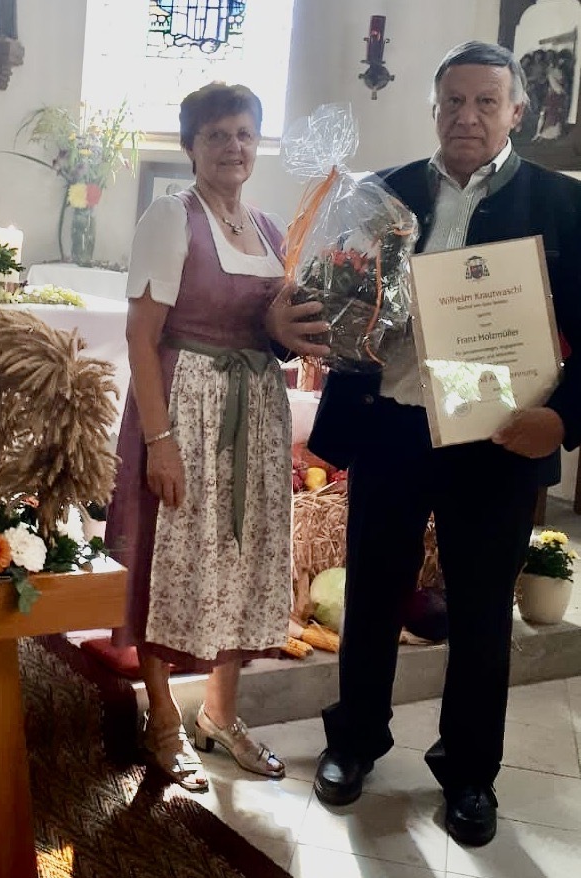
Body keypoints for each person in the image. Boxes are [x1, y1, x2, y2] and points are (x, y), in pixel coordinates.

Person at [270, 41, 581, 847]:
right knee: (372, 596)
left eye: (486, 102)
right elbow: (325, 302)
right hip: (393, 424)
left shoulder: (563, 204)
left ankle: (471, 774)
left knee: (481, 614)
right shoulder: (380, 194)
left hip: (498, 437)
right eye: (453, 101)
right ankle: (353, 742)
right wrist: (287, 321)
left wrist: (564, 419)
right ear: (434, 108)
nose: (467, 116)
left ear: (519, 112)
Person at [106, 82, 321, 792]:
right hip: (185, 410)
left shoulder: (268, 227)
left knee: (240, 559)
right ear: (191, 146)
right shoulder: (171, 217)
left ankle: (221, 714)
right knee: (169, 557)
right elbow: (140, 336)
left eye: (244, 134)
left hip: (253, 415)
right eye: (217, 135)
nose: (233, 147)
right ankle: (163, 719)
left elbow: (278, 327)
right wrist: (159, 440)